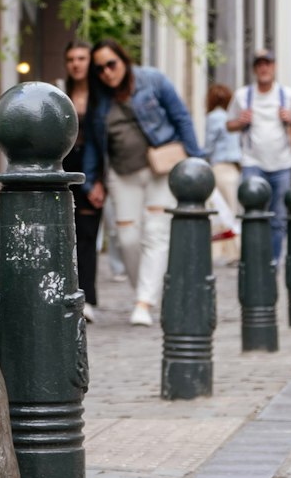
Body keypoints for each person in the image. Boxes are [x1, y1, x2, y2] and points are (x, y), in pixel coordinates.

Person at [83, 39, 202, 326]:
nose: (107, 73)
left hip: (159, 169)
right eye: (100, 69)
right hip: (122, 175)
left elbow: (181, 118)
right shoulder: (98, 98)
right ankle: (144, 291)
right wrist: (90, 181)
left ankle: (144, 302)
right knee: (127, 239)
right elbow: (92, 144)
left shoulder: (153, 80)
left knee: (156, 232)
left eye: (111, 64)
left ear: (123, 60)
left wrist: (196, 160)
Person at [226, 50, 291, 265]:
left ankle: (273, 261)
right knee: (252, 214)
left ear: (274, 67)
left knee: (278, 218)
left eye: (267, 64)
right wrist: (240, 121)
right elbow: (229, 124)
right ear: (254, 69)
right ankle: (253, 260)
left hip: (281, 165)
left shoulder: (288, 95)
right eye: (259, 64)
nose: (264, 68)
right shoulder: (243, 95)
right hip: (252, 162)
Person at [61, 40, 101, 323]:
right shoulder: (60, 96)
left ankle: (88, 296)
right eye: (71, 59)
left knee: (87, 235)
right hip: (65, 171)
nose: (76, 63)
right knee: (66, 233)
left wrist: (101, 180)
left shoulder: (101, 98)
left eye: (82, 58)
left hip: (92, 172)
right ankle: (66, 291)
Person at [204, 82, 241, 264]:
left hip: (219, 168)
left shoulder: (213, 117)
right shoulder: (231, 117)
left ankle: (221, 253)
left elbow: (209, 144)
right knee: (231, 212)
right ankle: (234, 252)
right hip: (234, 168)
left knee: (219, 212)